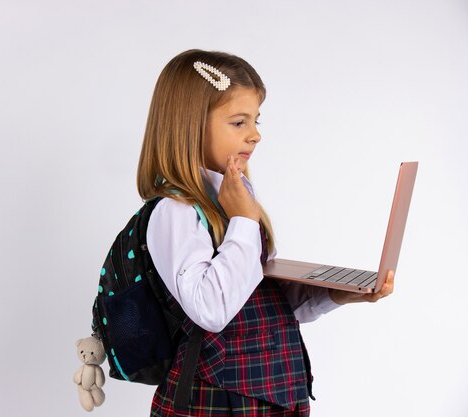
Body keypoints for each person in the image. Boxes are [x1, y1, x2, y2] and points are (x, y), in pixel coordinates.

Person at [136, 49, 395, 417]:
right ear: (190, 125)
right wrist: (243, 220)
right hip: (214, 400)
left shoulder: (230, 197)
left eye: (256, 121)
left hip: (274, 394)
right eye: (239, 122)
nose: (256, 135)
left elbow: (256, 307)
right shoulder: (175, 211)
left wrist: (336, 295)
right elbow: (211, 310)